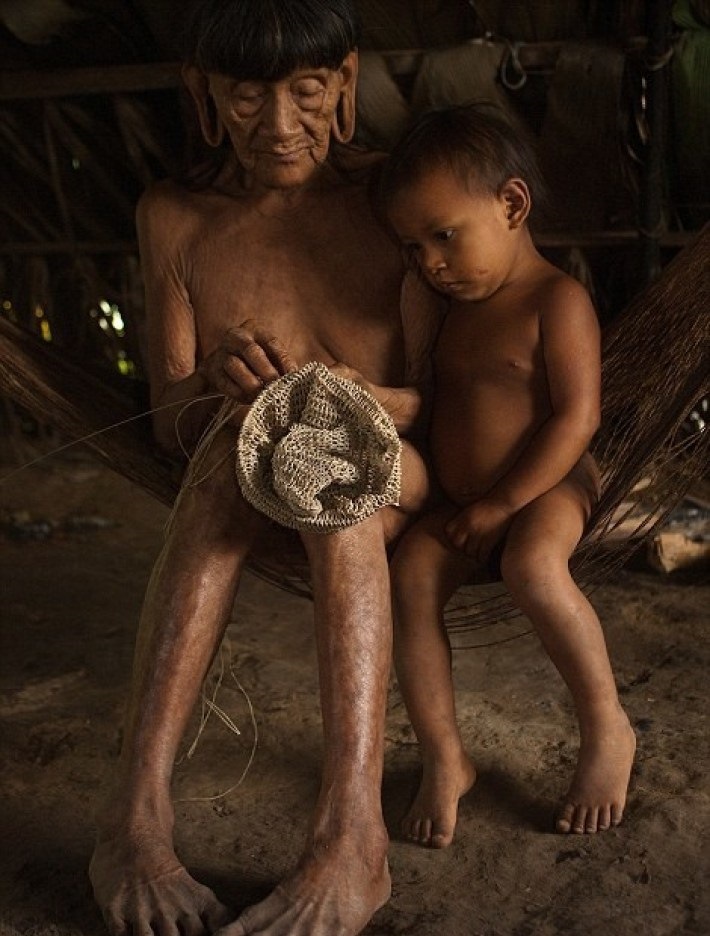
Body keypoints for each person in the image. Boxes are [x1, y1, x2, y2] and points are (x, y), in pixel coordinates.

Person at [88, 2, 437, 935]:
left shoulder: (397, 204)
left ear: (348, 85)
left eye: (308, 91)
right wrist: (212, 381)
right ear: (205, 96)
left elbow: (451, 399)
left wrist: (345, 396)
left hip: (395, 473)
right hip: (239, 476)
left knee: (328, 466)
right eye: (247, 97)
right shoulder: (176, 218)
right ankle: (135, 820)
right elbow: (171, 419)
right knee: (217, 457)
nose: (280, 125)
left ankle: (353, 838)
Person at [378, 104, 637, 849]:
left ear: (513, 205)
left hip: (549, 486)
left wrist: (503, 503)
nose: (429, 261)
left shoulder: (556, 300)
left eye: (444, 236)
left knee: (532, 565)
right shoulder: (448, 307)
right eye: (413, 246)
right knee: (412, 578)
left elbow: (576, 420)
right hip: (468, 503)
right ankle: (444, 756)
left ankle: (607, 729)